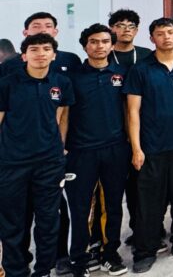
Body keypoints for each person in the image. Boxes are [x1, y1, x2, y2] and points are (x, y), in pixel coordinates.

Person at [125, 18, 173, 273]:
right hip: (152, 147)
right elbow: (132, 112)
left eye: (170, 32)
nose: (167, 37)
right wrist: (136, 148)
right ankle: (145, 251)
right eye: (160, 33)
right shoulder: (140, 69)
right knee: (149, 202)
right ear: (152, 39)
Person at [0, 33, 74, 277]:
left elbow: (61, 117)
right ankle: (16, 270)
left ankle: (43, 270)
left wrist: (60, 147)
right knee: (13, 222)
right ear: (24, 55)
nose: (40, 53)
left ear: (54, 55)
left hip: (49, 163)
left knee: (48, 220)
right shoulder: (7, 84)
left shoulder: (61, 82)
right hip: (12, 163)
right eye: (34, 49)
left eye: (46, 49)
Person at [64, 24, 129, 277]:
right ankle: (79, 259)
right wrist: (61, 148)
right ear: (85, 46)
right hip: (81, 152)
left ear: (112, 45)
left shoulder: (121, 74)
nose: (99, 46)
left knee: (112, 205)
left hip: (115, 150)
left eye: (104, 41)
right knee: (81, 208)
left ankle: (109, 253)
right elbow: (64, 116)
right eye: (93, 41)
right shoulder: (73, 78)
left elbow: (129, 111)